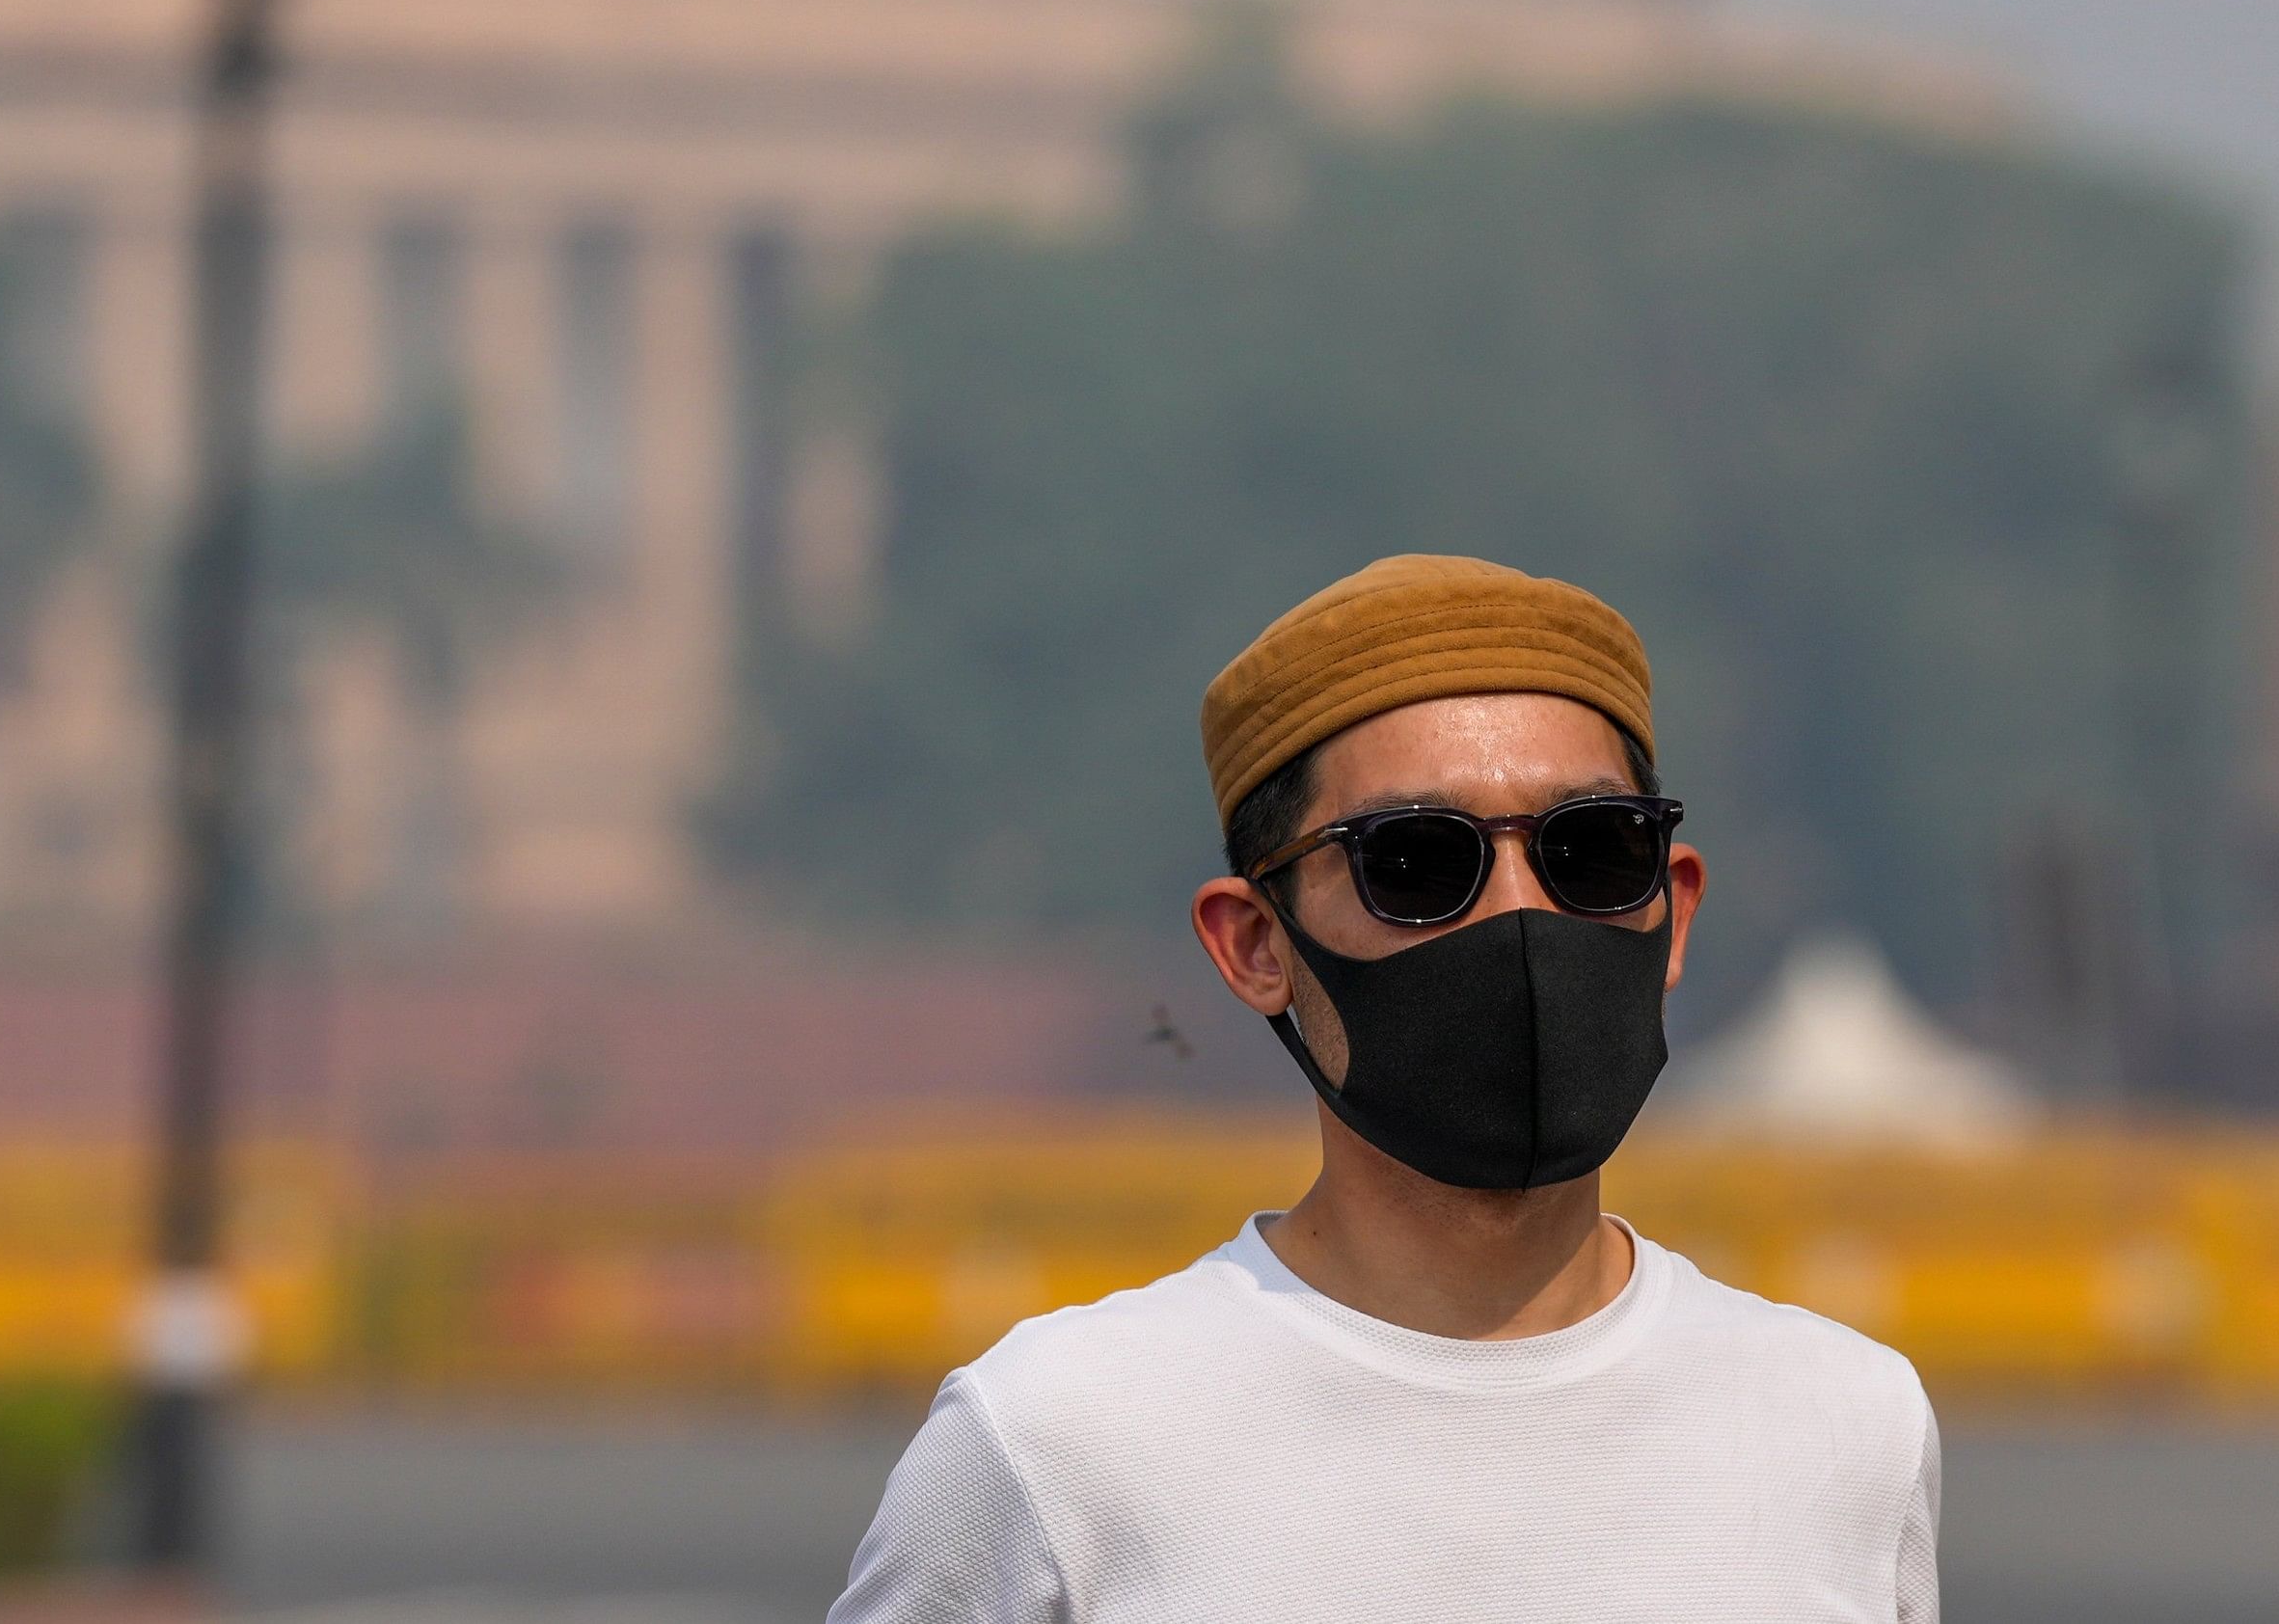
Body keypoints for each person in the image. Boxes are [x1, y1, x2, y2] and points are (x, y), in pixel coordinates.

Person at [830, 554, 1938, 1622]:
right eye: (1416, 860)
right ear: (1256, 943)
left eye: (1590, 849)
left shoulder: (1849, 1427)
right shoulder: (1053, 1442)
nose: (1521, 915)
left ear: (1674, 907)